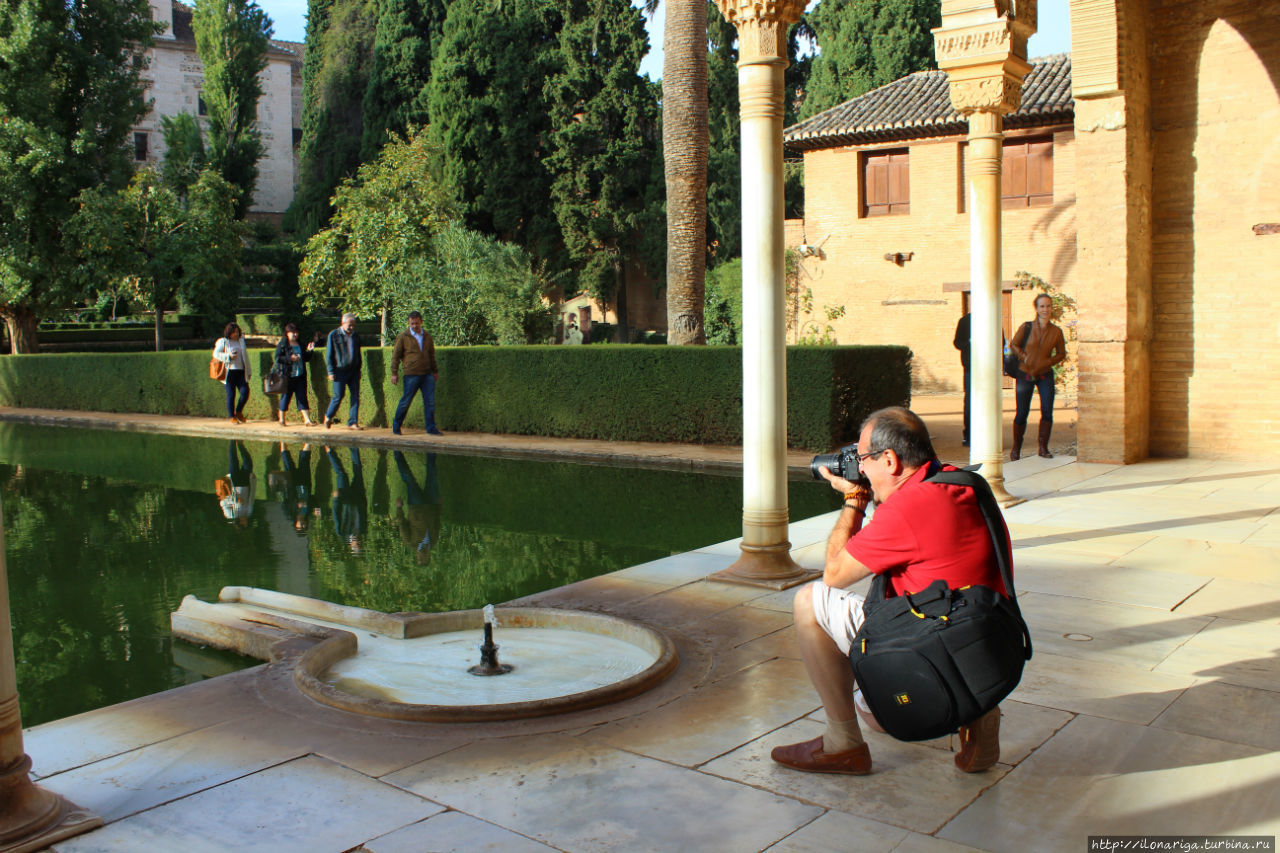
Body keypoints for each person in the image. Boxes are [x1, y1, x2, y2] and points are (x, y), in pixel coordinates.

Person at [770, 406, 1012, 776]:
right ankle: (974, 709)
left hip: (936, 643)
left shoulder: (909, 509)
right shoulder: (958, 482)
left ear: (890, 460)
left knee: (810, 601)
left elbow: (834, 573)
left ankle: (842, 745)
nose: (860, 467)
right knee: (873, 711)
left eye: (863, 458)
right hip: (985, 640)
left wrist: (855, 499)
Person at [1007, 293, 1067, 460]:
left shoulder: (1056, 331)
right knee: (1022, 412)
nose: (1045, 309)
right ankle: (1016, 449)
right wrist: (1024, 357)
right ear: (1036, 308)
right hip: (1025, 372)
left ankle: (1043, 448)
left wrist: (1048, 361)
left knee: (1047, 411)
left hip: (1045, 374)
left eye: (1048, 306)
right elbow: (1014, 344)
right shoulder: (1026, 327)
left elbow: (1062, 353)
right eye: (1042, 306)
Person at [390, 311, 442, 436]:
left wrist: (435, 371)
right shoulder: (403, 336)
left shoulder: (427, 336)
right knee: (406, 401)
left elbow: (431, 355)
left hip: (427, 374)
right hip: (411, 374)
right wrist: (394, 373)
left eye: (416, 323)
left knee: (430, 402)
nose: (414, 326)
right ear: (409, 322)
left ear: (421, 322)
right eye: (412, 323)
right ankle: (396, 426)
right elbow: (396, 356)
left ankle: (431, 428)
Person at [393, 450, 442, 564]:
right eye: (425, 558)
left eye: (420, 558)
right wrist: (439, 506)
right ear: (429, 557)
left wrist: (399, 508)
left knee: (409, 479)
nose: (422, 556)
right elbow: (437, 522)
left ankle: (397, 453)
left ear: (417, 556)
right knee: (432, 475)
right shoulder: (433, 541)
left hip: (416, 506)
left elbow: (402, 524)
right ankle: (430, 451)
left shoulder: (411, 542)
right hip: (431, 504)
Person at [324, 313, 363, 430]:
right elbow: (329, 354)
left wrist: (359, 369)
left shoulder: (355, 336)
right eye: (350, 325)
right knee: (338, 396)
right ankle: (328, 416)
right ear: (343, 323)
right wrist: (330, 371)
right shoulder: (334, 335)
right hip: (339, 371)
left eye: (353, 325)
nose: (352, 327)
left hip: (354, 371)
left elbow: (358, 353)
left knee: (355, 396)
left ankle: (353, 422)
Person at [274, 323, 316, 427]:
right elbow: (278, 358)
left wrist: (310, 351)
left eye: (297, 332)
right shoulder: (283, 344)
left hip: (300, 375)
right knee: (286, 397)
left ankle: (307, 420)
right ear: (287, 333)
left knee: (302, 397)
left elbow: (305, 358)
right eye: (293, 332)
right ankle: (282, 419)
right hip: (287, 375)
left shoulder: (300, 344)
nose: (295, 334)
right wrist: (290, 358)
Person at [327, 446, 366, 553]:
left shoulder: (342, 531)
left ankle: (329, 450)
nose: (358, 541)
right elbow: (364, 512)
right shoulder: (363, 529)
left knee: (342, 474)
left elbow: (336, 514)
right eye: (360, 543)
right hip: (358, 496)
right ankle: (354, 447)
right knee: (358, 470)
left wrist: (335, 499)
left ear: (351, 544)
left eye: (357, 544)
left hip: (344, 499)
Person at [213, 322, 251, 424]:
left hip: (241, 371)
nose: (236, 334)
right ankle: (231, 416)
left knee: (245, 392)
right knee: (231, 395)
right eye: (234, 332)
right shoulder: (223, 341)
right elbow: (216, 354)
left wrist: (249, 371)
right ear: (229, 333)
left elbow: (245, 356)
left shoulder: (241, 341)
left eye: (237, 332)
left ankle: (238, 412)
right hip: (229, 372)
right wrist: (228, 356)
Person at [219, 440, 256, 525]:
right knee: (248, 463)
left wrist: (235, 500)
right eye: (245, 522)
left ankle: (232, 441)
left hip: (233, 484)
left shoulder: (230, 515)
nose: (245, 520)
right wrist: (253, 481)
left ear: (239, 522)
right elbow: (252, 496)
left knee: (234, 462)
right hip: (245, 484)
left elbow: (223, 502)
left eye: (243, 522)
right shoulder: (248, 513)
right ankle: (240, 444)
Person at [953, 313, 971, 446]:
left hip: (989, 369)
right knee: (970, 402)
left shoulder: (992, 318)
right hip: (970, 367)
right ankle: (968, 435)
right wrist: (969, 343)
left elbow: (1002, 342)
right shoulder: (965, 321)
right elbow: (957, 342)